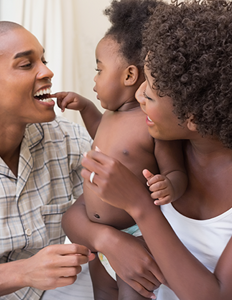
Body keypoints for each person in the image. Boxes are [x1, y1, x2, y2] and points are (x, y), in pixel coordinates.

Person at [62, 0, 232, 299]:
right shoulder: (163, 148)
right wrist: (111, 242)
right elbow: (78, 214)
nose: (138, 94)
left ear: (193, 116)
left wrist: (140, 206)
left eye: (150, 92)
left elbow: (219, 296)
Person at [56, 0, 187, 299]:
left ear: (129, 76)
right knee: (102, 291)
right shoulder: (111, 117)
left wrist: (170, 185)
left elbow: (175, 170)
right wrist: (87, 108)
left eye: (98, 70)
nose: (94, 79)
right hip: (97, 237)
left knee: (131, 293)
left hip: (135, 236)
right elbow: (104, 141)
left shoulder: (151, 124)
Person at [0, 21, 95, 300]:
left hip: (47, 292)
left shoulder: (65, 136)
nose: (47, 72)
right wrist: (24, 272)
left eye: (43, 60)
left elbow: (110, 206)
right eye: (26, 64)